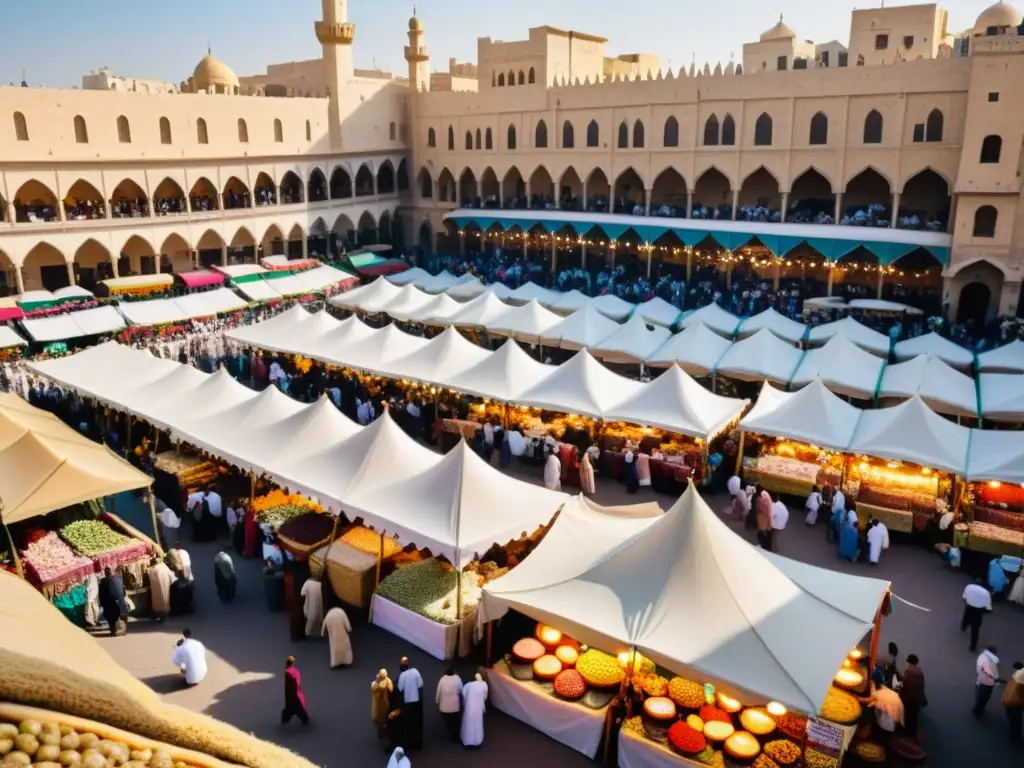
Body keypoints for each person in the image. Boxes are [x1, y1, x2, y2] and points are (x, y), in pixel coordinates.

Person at [396, 657, 424, 750]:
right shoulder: (415, 671)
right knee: (416, 723)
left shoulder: (402, 676)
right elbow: (420, 684)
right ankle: (418, 744)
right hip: (416, 701)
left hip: (407, 702)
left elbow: (400, 688)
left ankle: (408, 743)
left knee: (408, 724)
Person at [962, 579, 994, 652]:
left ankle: (963, 626)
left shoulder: (969, 587)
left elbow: (964, 597)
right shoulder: (986, 593)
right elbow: (988, 607)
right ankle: (973, 646)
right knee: (975, 629)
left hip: (969, 607)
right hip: (978, 612)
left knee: (966, 616)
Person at [900, 654, 926, 740]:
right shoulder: (920, 671)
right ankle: (913, 734)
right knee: (914, 717)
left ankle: (907, 735)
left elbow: (905, 685)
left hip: (909, 699)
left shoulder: (908, 671)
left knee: (908, 716)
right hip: (918, 698)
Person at [98, 566, 128, 636]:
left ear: (105, 573)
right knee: (120, 615)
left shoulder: (103, 581)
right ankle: (119, 629)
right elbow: (123, 592)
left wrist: (102, 603)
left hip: (108, 604)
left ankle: (113, 630)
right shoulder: (119, 579)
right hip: (119, 603)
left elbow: (101, 593)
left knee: (110, 617)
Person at [461, 672, 488, 748]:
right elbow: (485, 697)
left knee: (468, 724)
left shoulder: (468, 686)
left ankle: (468, 741)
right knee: (477, 724)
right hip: (478, 708)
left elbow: (463, 695)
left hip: (469, 708)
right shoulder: (484, 685)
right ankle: (477, 741)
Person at [435, 668, 463, 742]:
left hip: (444, 706)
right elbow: (461, 690)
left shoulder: (442, 679)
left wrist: (437, 701)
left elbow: (438, 692)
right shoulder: (457, 678)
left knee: (448, 720)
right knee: (456, 721)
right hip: (455, 705)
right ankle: (456, 736)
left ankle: (450, 731)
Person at [282, 656, 310, 726]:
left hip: (292, 698)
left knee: (288, 712)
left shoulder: (288, 673)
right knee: (302, 715)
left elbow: (291, 686)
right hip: (297, 697)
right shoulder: (295, 672)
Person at [974, 646, 1001, 717]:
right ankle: (978, 710)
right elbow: (990, 672)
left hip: (981, 680)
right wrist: (996, 679)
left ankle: (978, 708)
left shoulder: (983, 657)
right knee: (984, 697)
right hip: (986, 683)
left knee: (980, 696)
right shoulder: (987, 661)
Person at [147, 556, 175, 622]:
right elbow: (172, 577)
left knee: (158, 602)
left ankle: (159, 615)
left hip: (156, 590)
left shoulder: (153, 570)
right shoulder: (164, 567)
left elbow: (150, 580)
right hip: (166, 587)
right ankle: (164, 614)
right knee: (165, 600)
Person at [1002, 661, 1024, 742]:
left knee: (1011, 717)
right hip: (1016, 702)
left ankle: (1012, 731)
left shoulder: (1016, 675)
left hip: (1008, 700)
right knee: (1017, 719)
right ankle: (1016, 735)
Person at [371, 669, 394, 743]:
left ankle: (381, 733)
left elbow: (373, 688)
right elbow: (391, 690)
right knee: (385, 719)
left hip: (378, 705)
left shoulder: (377, 686)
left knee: (379, 719)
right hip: (386, 705)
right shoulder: (389, 682)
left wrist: (377, 681)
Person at [755, 487, 773, 551]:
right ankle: (768, 546)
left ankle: (764, 546)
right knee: (768, 532)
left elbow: (757, 510)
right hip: (769, 515)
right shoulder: (766, 493)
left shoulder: (759, 499)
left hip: (764, 517)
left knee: (761, 533)